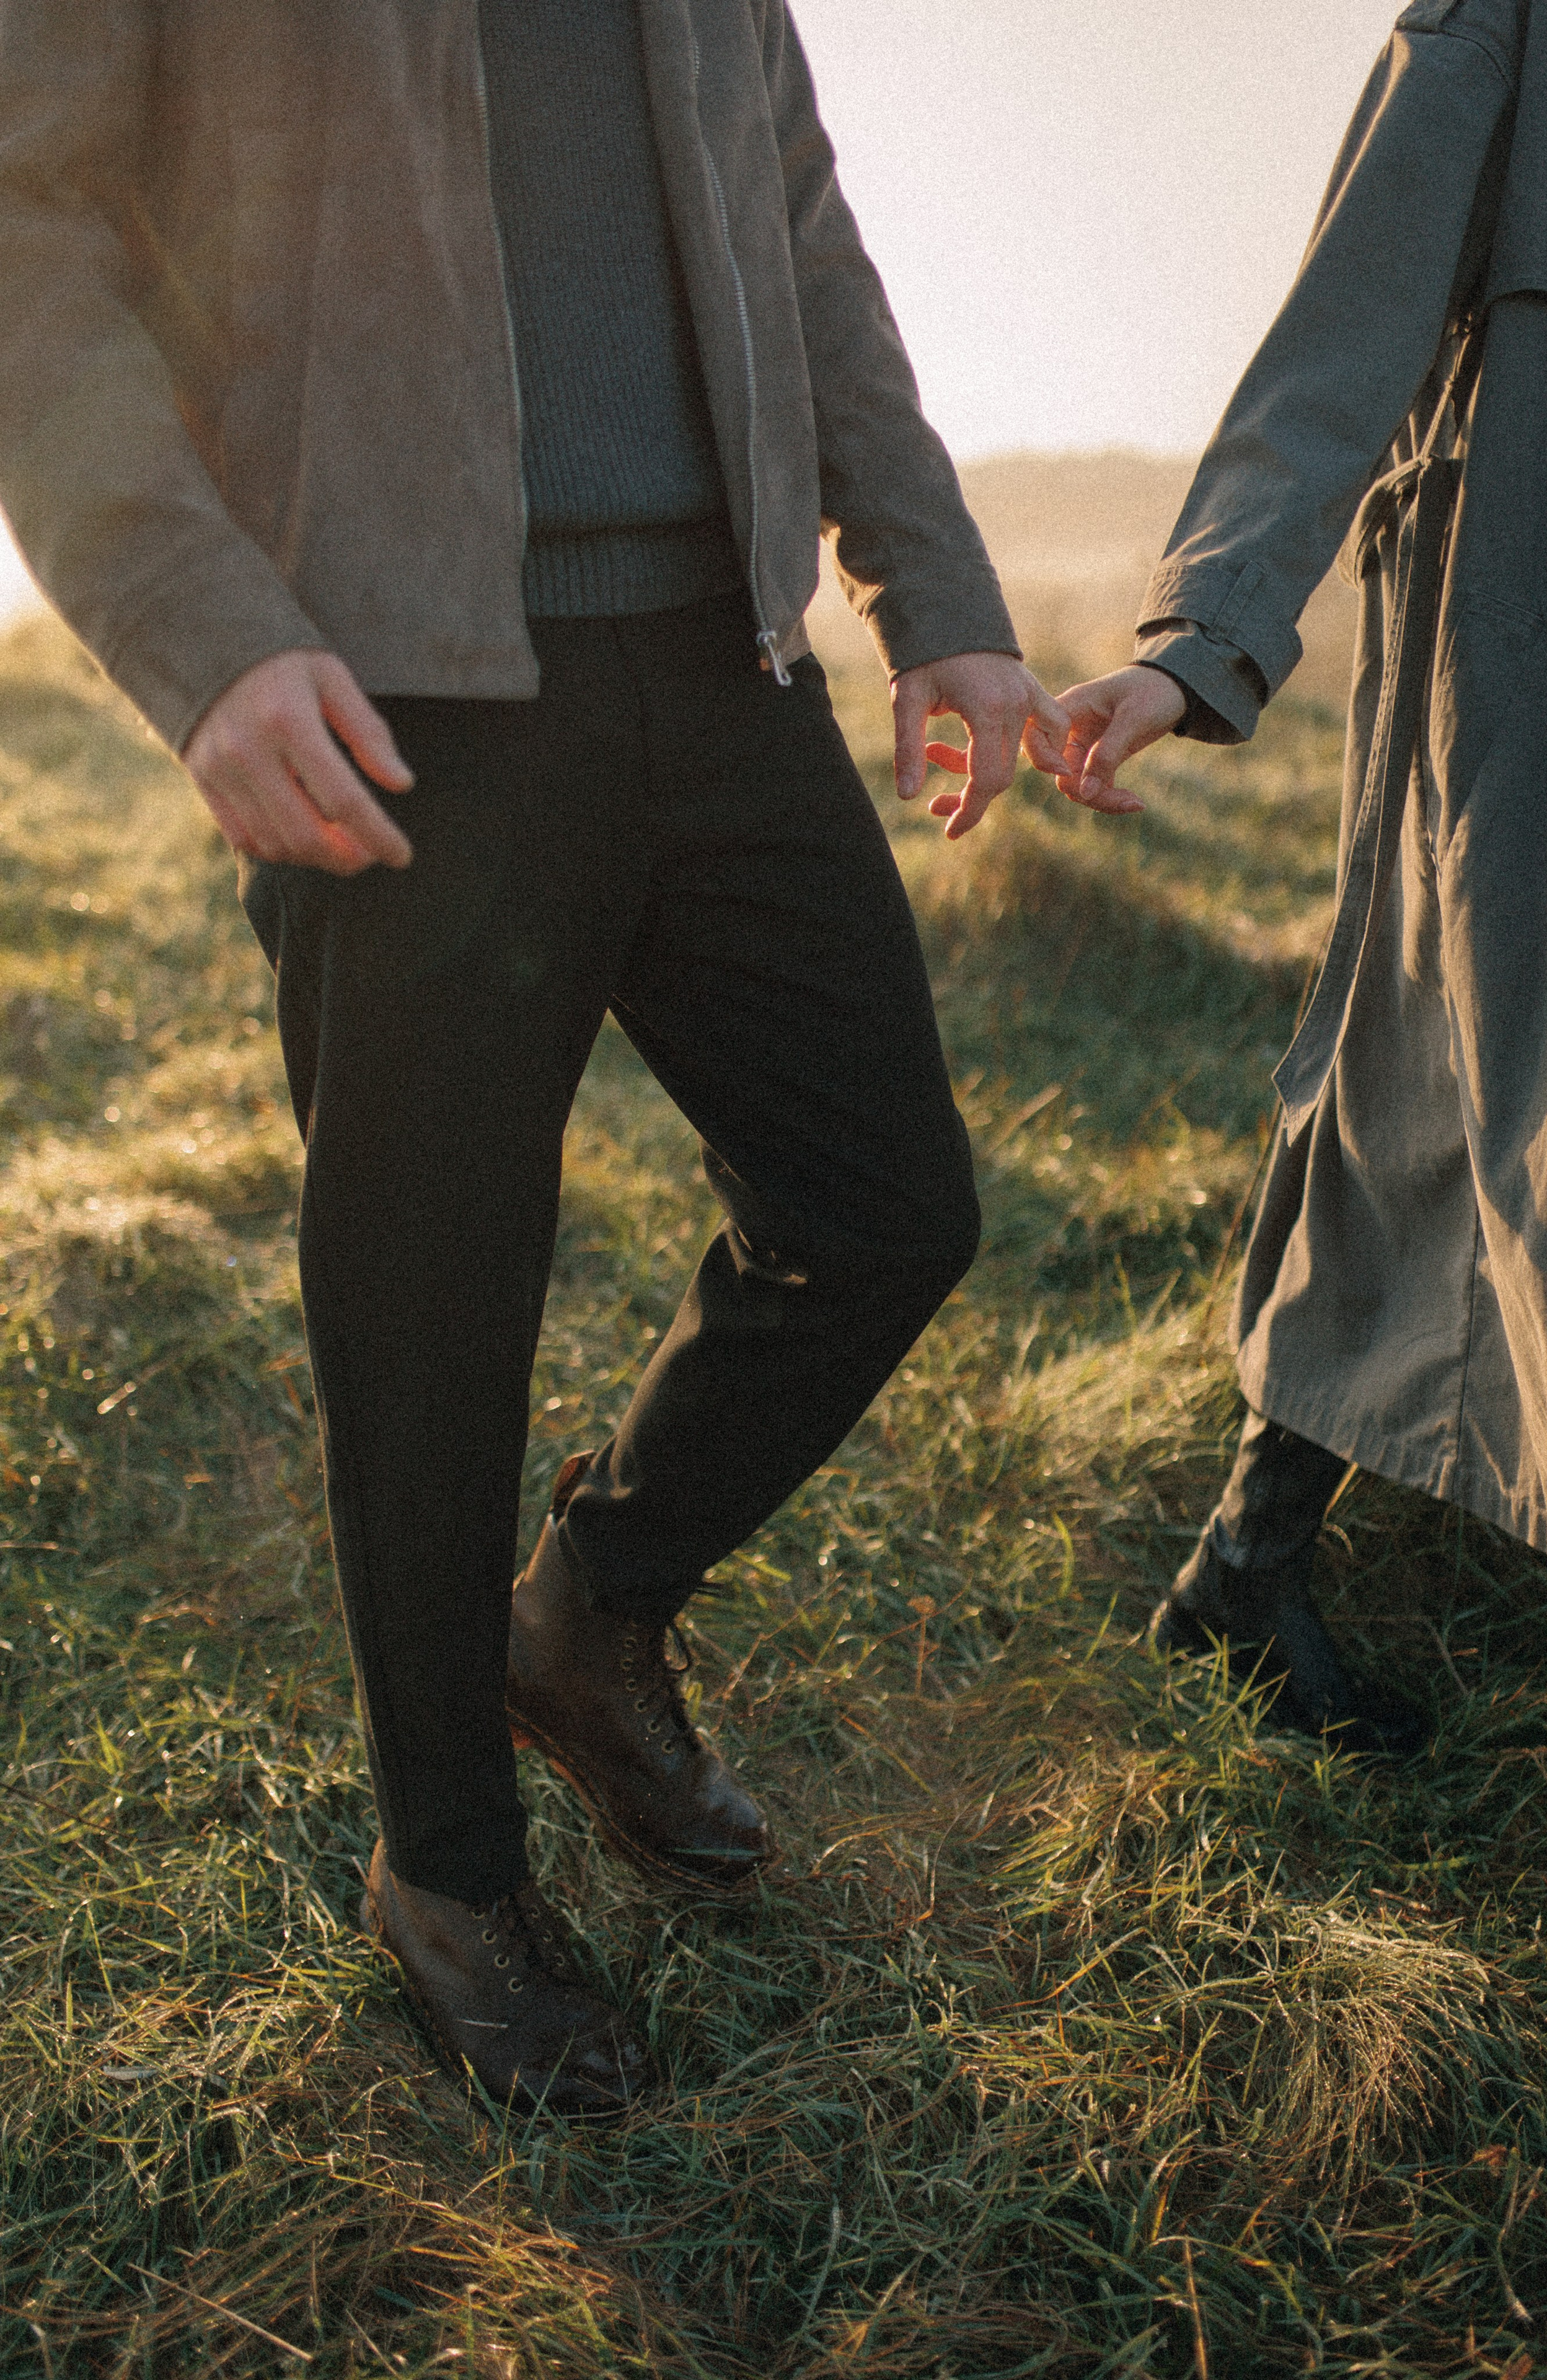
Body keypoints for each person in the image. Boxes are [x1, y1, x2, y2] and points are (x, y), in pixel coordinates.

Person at [0, 2, 1070, 2117]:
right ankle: (453, 1878)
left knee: (884, 1211)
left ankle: (585, 1613)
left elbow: (798, 221)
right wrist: (198, 631)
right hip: (394, 679)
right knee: (430, 1317)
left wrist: (930, 579)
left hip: (724, 661)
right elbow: (28, 230)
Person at [1047, 0, 1547, 1755]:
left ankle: (1245, 1562)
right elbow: (1344, 325)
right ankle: (1249, 1562)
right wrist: (1198, 639)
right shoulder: (1513, 22)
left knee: (1445, 1101)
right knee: (1468, 1095)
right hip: (1531, 644)